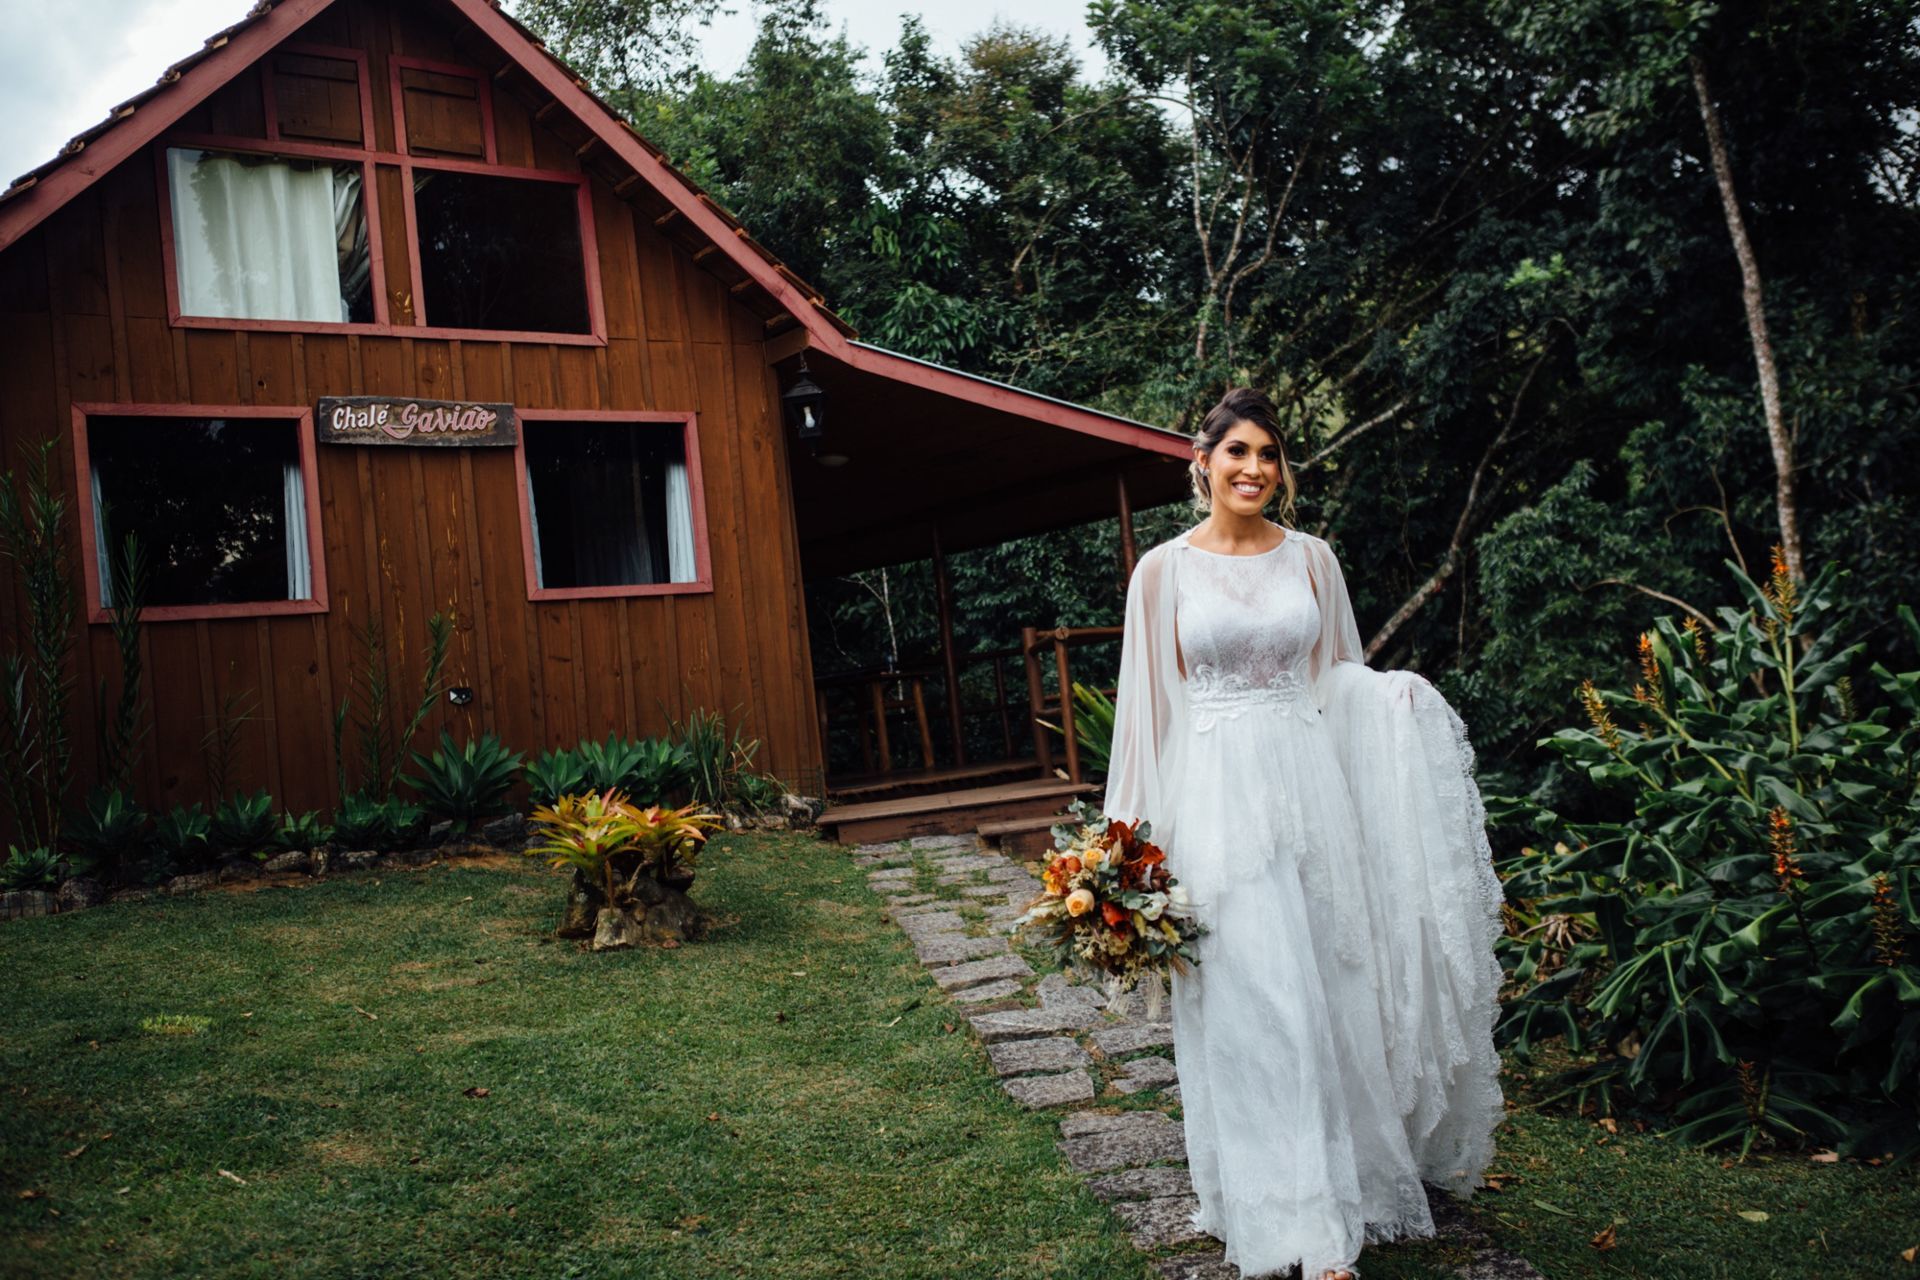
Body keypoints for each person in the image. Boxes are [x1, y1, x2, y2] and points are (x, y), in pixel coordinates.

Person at [1102, 388, 1505, 1280]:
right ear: (1199, 460)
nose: (1254, 469)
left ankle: (1342, 1182)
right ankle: (1290, 1214)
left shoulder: (1313, 560)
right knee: (1253, 1000)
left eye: (1270, 454)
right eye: (1236, 451)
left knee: (1327, 992)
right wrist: (1123, 848)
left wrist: (1390, 694)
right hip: (1213, 797)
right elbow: (1145, 716)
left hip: (1310, 789)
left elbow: (1336, 678)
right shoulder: (1162, 573)